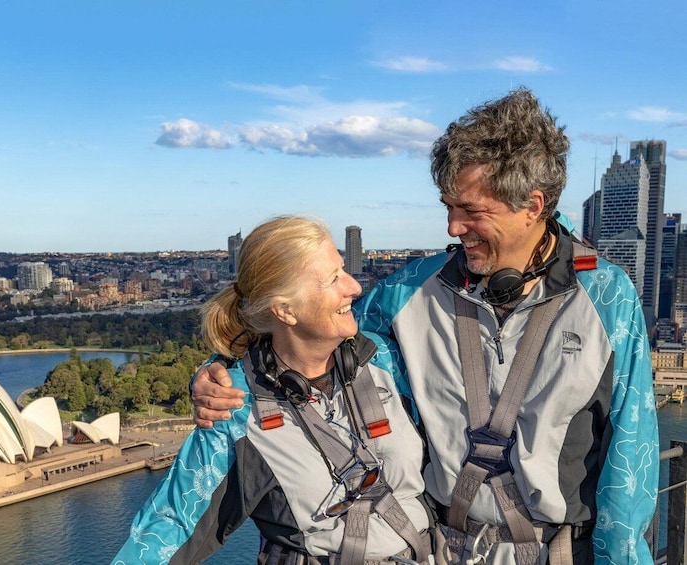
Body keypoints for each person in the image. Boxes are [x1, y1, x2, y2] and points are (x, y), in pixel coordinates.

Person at [191, 88, 659, 564]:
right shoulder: (408, 291)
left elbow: (630, 462)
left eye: (472, 211)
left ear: (533, 206)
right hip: (443, 550)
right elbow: (309, 337)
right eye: (448, 207)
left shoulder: (607, 298)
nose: (453, 228)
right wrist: (223, 368)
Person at [114, 215, 433, 564]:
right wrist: (228, 368)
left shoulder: (382, 357)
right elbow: (169, 528)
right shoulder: (235, 407)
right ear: (285, 309)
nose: (355, 287)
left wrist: (218, 359)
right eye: (333, 278)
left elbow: (437, 279)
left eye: (343, 269)